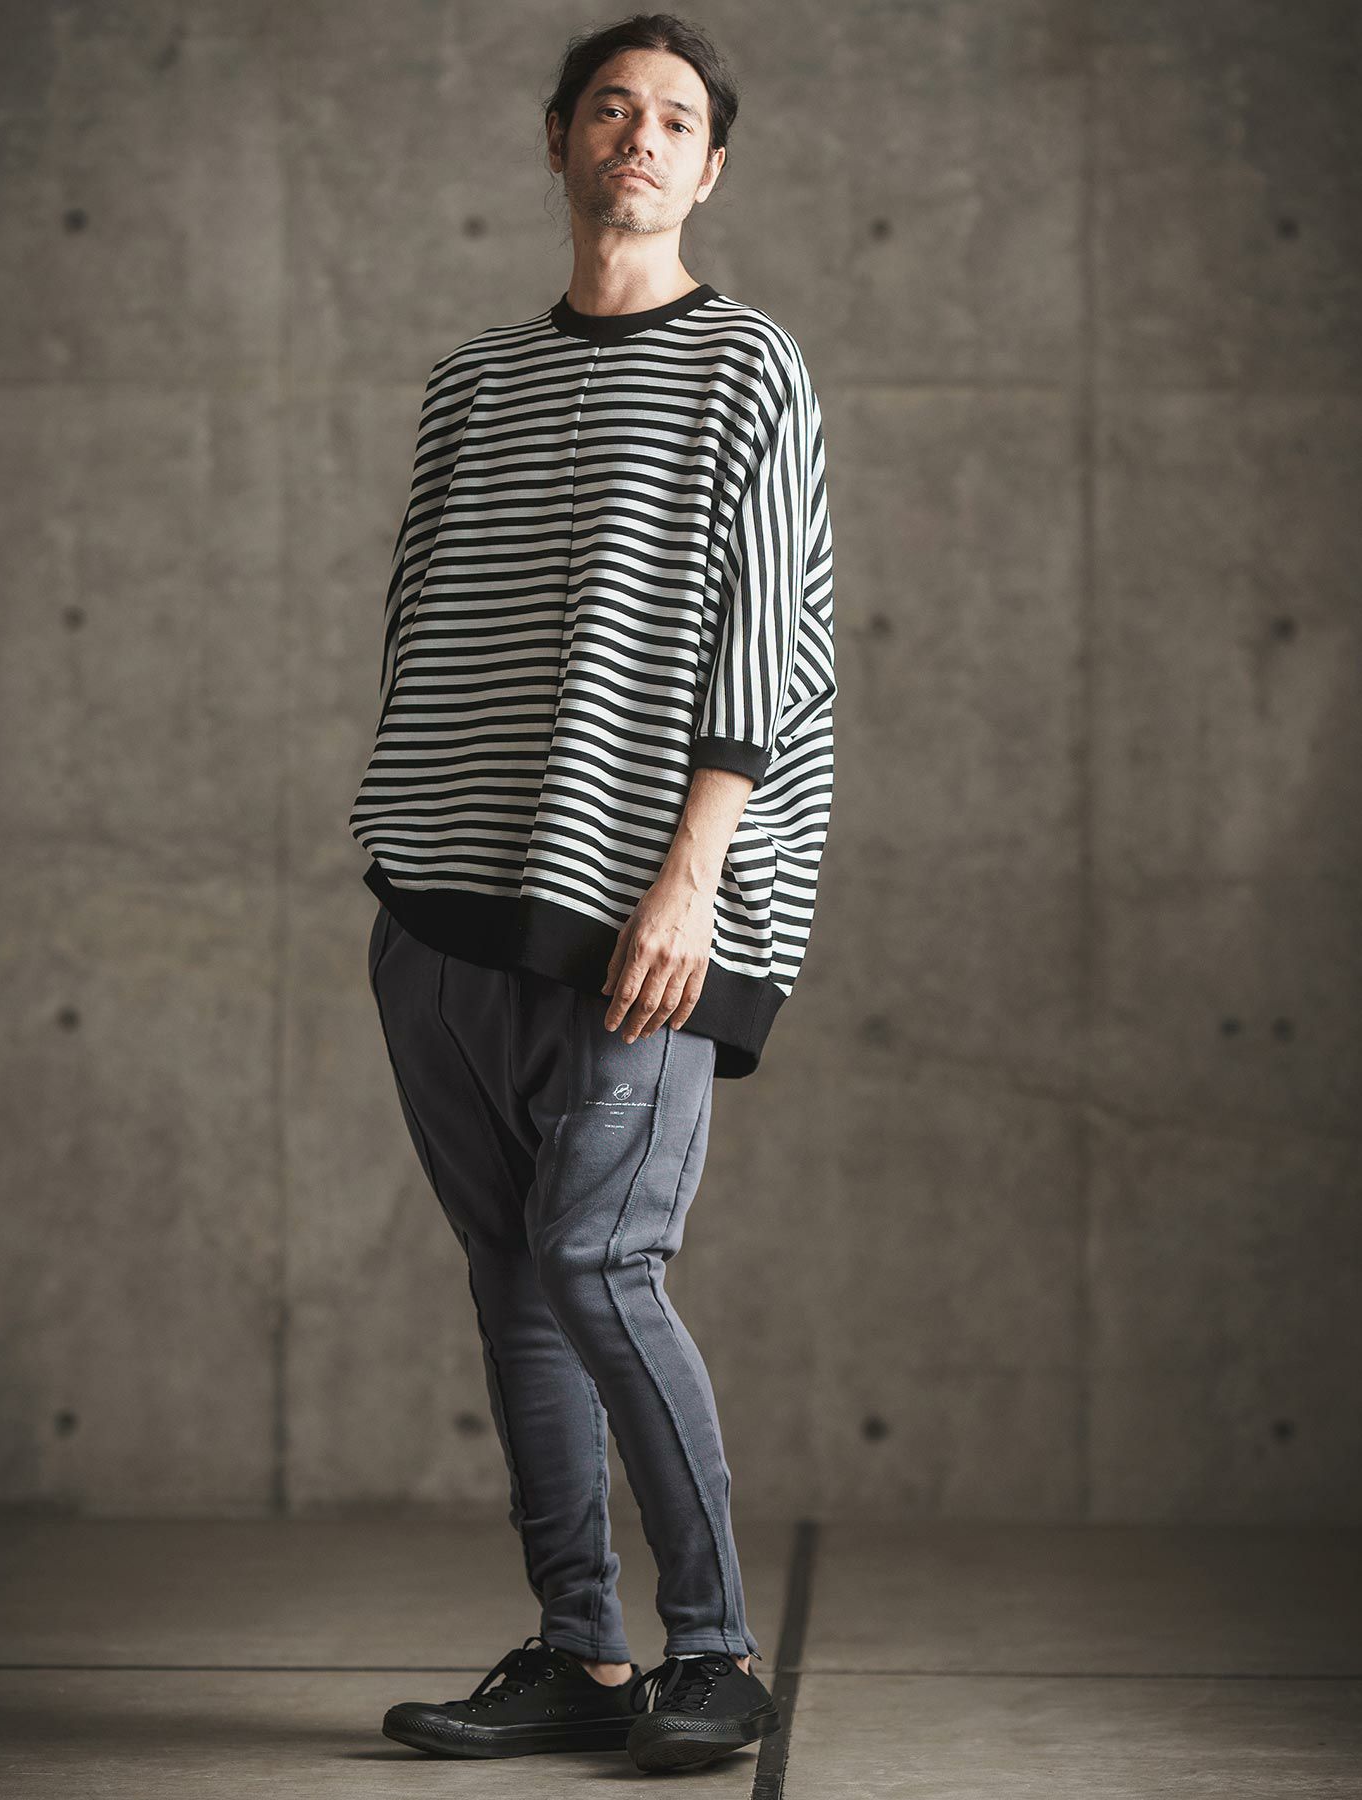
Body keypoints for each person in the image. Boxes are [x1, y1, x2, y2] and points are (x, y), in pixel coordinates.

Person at [354, 12, 836, 1776]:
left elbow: (767, 643)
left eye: (676, 118)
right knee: (515, 1282)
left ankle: (717, 1653)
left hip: (643, 912)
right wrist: (395, 859)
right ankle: (582, 1655)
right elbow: (418, 619)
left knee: (600, 1262)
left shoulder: (749, 366)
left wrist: (693, 883)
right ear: (558, 139)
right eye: (611, 108)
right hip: (443, 912)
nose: (640, 135)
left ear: (710, 169)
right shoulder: (473, 381)